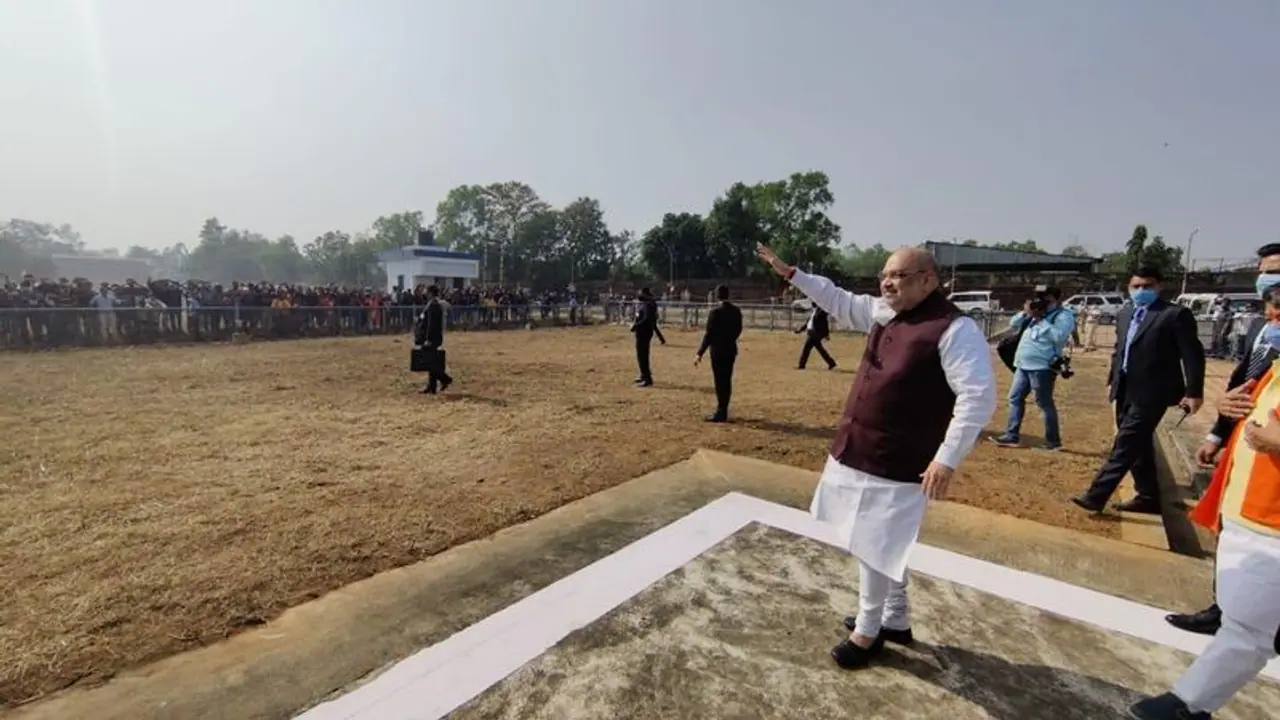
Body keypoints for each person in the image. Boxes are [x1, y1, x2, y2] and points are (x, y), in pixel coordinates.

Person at [757, 242, 996, 670]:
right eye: (884, 274)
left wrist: (947, 458)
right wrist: (792, 274)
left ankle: (869, 632)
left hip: (900, 460)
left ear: (928, 279)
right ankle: (897, 618)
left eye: (899, 275)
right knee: (882, 542)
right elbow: (838, 299)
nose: (888, 282)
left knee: (874, 544)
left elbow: (978, 398)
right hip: (859, 448)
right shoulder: (887, 312)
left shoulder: (954, 329)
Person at [1128, 359, 1280, 720]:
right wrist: (1229, 413)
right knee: (1246, 620)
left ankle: (1189, 705)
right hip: (1251, 511)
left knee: (1248, 627)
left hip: (1270, 522)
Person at [1166, 244, 1280, 637]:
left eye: (1276, 271)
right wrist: (1217, 432)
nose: (1267, 278)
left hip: (1273, 460)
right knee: (1231, 528)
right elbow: (1242, 386)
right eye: (1264, 271)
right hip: (1247, 447)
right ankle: (1224, 606)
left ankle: (1243, 615)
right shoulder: (1266, 327)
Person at [1072, 266, 1205, 515]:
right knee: (1138, 445)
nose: (1141, 291)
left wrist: (1194, 391)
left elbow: (1192, 355)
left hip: (1154, 391)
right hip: (1125, 388)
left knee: (1125, 443)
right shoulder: (1125, 314)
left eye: (1147, 286)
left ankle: (1096, 495)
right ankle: (1148, 497)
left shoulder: (1174, 315)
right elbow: (1119, 348)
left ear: (1159, 287)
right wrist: (1112, 378)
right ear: (1129, 288)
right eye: (1136, 286)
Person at [991, 286, 1075, 450]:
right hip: (1023, 364)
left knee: (1043, 402)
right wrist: (1026, 312)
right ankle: (1011, 435)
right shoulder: (1033, 315)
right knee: (1015, 398)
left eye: (1046, 298)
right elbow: (1013, 323)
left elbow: (1059, 337)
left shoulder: (1063, 315)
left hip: (1042, 366)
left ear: (1055, 299)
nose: (1041, 301)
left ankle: (1053, 441)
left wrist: (1042, 319)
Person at [694, 284, 743, 422]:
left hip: (718, 351)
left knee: (719, 381)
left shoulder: (715, 312)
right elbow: (739, 329)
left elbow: (709, 334)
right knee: (727, 380)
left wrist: (700, 353)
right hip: (731, 349)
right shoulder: (736, 311)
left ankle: (721, 412)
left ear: (717, 295)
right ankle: (724, 409)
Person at [415, 285, 453, 395]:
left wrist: (428, 339)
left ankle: (444, 379)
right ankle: (432, 386)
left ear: (431, 292)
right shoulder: (433, 304)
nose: (425, 293)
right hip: (432, 338)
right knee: (430, 362)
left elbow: (431, 324)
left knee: (430, 362)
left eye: (426, 291)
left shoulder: (433, 305)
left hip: (432, 338)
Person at [630, 287, 659, 386]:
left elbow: (647, 319)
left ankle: (647, 378)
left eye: (640, 293)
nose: (639, 295)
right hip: (643, 332)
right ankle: (643, 374)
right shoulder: (647, 304)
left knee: (642, 355)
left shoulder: (648, 305)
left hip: (644, 333)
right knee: (641, 354)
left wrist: (635, 326)